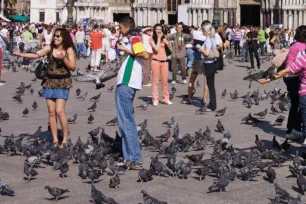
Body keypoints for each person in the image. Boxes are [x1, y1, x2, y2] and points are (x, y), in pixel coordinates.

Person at [13, 28, 76, 147]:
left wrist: (63, 58)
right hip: (49, 81)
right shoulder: (49, 48)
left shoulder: (69, 50)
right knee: (51, 112)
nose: (55, 38)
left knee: (59, 111)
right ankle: (55, 139)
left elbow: (72, 67)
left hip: (63, 82)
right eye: (55, 36)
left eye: (58, 36)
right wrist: (21, 55)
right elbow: (37, 55)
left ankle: (65, 138)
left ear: (64, 38)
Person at [115, 16, 149, 167]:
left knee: (126, 122)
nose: (119, 31)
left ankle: (134, 158)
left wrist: (126, 50)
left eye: (120, 28)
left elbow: (144, 54)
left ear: (126, 27)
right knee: (125, 122)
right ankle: (129, 157)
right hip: (127, 84)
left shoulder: (135, 38)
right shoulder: (134, 38)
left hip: (126, 84)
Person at [282, 26, 306, 140]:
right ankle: (294, 129)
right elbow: (301, 64)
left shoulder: (294, 44)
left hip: (288, 76)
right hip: (294, 76)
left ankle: (292, 129)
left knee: (295, 104)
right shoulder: (302, 47)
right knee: (301, 105)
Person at [181, 22, 207, 105]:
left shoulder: (195, 33)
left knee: (192, 79)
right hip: (207, 59)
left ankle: (189, 98)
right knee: (207, 81)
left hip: (198, 59)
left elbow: (189, 36)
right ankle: (204, 99)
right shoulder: (210, 35)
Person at [196, 22, 219, 112]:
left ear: (207, 31)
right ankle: (212, 104)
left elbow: (206, 53)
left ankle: (212, 106)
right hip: (213, 63)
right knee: (211, 85)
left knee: (210, 86)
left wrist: (199, 48)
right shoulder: (212, 38)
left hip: (209, 64)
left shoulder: (208, 40)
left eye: (203, 30)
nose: (202, 31)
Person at [150, 24, 172, 106]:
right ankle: (155, 99)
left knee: (165, 81)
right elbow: (156, 49)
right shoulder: (152, 38)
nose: (158, 31)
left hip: (165, 61)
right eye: (157, 29)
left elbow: (170, 49)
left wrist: (168, 43)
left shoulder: (165, 38)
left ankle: (166, 98)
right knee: (155, 81)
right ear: (154, 30)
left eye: (160, 29)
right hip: (155, 61)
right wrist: (159, 38)